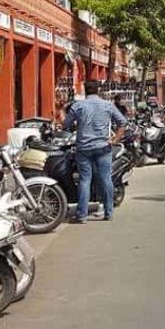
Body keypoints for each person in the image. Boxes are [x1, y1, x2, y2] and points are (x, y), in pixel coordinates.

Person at [62, 80, 127, 223]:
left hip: (83, 148)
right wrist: (115, 139)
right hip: (103, 147)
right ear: (98, 90)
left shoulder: (77, 106)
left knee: (85, 180)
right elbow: (122, 123)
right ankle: (109, 212)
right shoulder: (108, 105)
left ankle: (82, 215)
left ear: (85, 90)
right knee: (105, 178)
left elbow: (65, 125)